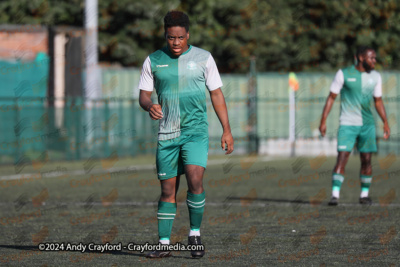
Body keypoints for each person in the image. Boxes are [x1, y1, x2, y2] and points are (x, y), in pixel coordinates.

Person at [138, 11, 234, 258]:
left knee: (195, 181)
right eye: (171, 38)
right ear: (165, 35)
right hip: (167, 134)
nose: (176, 43)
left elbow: (216, 94)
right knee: (168, 191)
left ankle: (194, 234)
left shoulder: (204, 58)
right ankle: (164, 245)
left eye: (180, 37)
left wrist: (226, 130)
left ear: (188, 35)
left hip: (195, 132)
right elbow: (144, 95)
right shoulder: (153, 60)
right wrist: (150, 106)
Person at [319, 46, 390, 206]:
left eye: (375, 58)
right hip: (347, 124)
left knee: (366, 160)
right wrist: (323, 120)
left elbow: (378, 101)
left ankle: (364, 195)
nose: (374, 61)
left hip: (367, 125)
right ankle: (334, 195)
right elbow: (331, 98)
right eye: (371, 58)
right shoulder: (343, 74)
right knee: (342, 158)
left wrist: (385, 121)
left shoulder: (376, 77)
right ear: (360, 58)